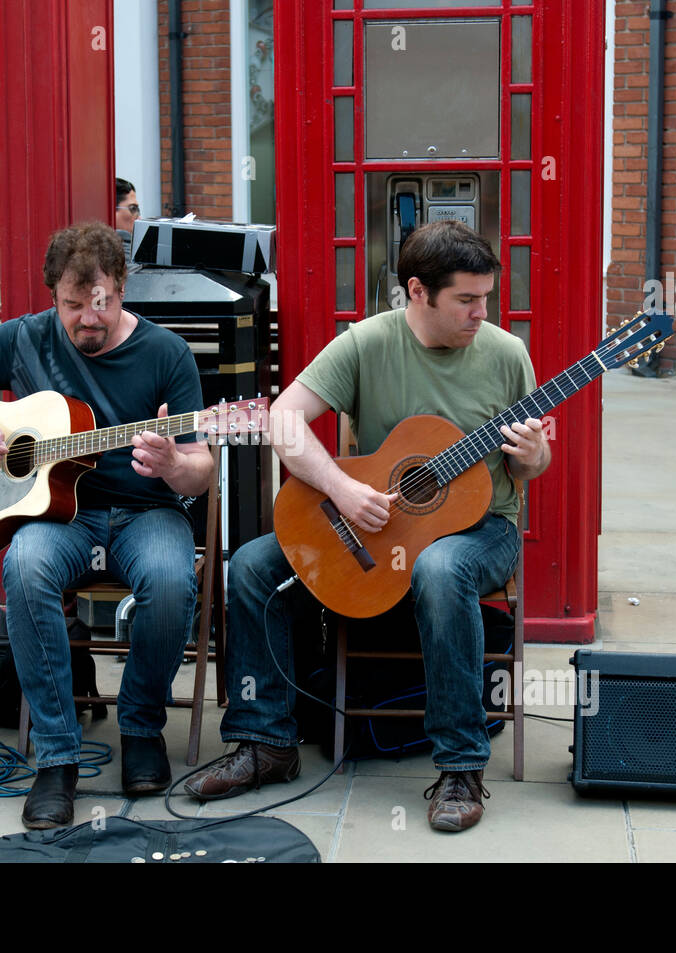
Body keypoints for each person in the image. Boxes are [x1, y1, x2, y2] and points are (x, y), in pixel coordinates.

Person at [183, 220, 551, 832]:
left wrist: (534, 453)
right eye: (466, 299)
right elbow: (284, 419)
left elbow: (531, 466)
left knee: (441, 567)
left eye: (485, 297)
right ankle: (266, 743)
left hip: (485, 529)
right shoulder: (366, 343)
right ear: (417, 292)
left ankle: (460, 767)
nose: (481, 313)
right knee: (249, 566)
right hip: (382, 522)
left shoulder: (508, 355)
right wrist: (343, 490)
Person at [0, 222, 214, 829]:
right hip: (57, 515)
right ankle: (56, 757)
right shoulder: (26, 339)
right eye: (72, 306)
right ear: (54, 298)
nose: (86, 320)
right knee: (24, 567)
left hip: (144, 512)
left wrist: (174, 464)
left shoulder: (166, 354)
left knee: (171, 576)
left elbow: (202, 470)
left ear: (121, 288)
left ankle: (141, 727)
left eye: (98, 303)